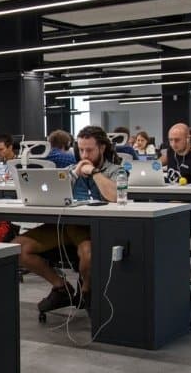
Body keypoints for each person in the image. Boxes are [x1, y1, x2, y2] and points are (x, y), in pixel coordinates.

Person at [15, 126, 120, 313]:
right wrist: (75, 173)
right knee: (18, 247)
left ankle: (86, 292)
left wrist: (94, 172)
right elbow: (52, 194)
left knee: (88, 253)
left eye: (89, 150)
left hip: (94, 228)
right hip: (66, 226)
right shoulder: (71, 170)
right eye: (81, 150)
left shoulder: (115, 170)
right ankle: (61, 287)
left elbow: (115, 196)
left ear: (102, 148)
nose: (84, 155)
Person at [160, 123, 191, 227]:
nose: (173, 144)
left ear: (188, 139)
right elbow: (156, 165)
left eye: (177, 140)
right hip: (169, 197)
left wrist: (179, 200)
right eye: (170, 140)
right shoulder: (171, 152)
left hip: (189, 203)